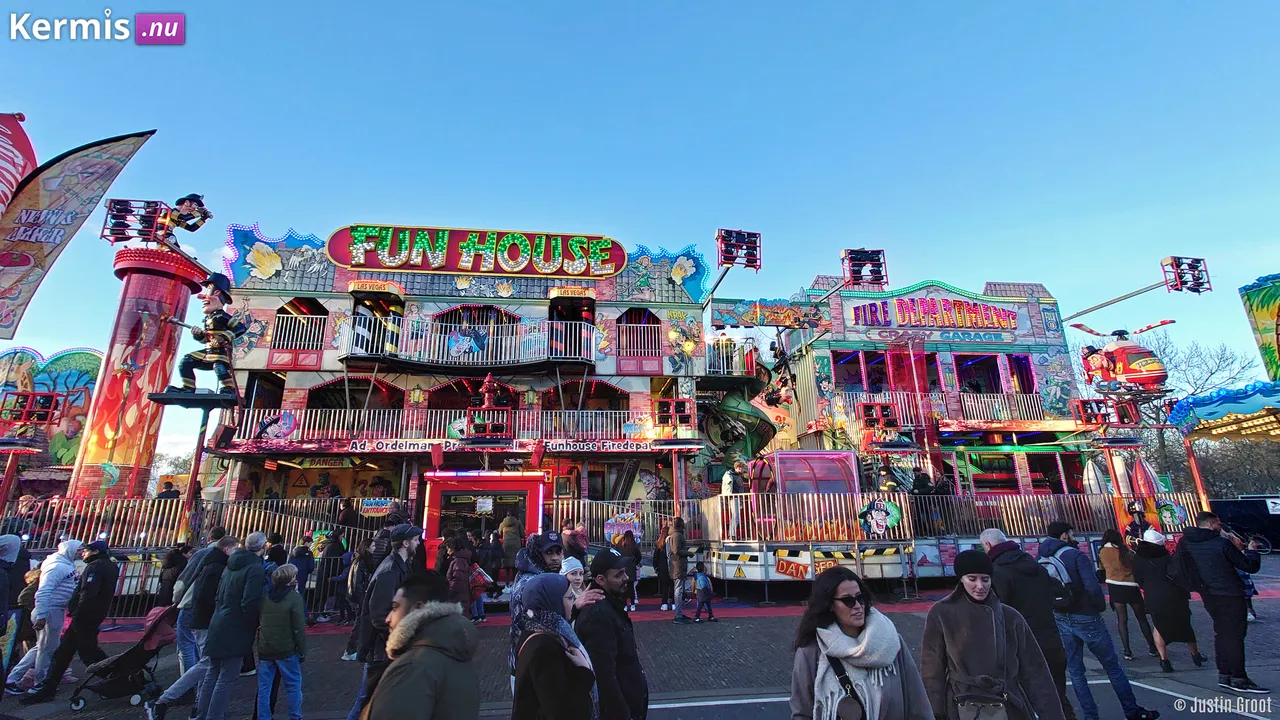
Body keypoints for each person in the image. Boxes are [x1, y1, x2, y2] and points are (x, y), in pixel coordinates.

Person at [922, 550, 1065, 720]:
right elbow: (932, 669)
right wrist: (935, 712)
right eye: (972, 579)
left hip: (1008, 703)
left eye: (985, 579)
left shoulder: (1011, 617)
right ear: (961, 579)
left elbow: (1035, 671)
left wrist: (1052, 715)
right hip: (961, 704)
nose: (980, 586)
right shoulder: (941, 613)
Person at [1039, 522, 1158, 720]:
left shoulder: (1042, 557)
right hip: (1086, 615)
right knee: (1112, 666)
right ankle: (1132, 710)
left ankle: (1090, 715)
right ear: (1063, 536)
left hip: (1061, 615)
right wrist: (1098, 607)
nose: (1073, 535)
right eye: (1070, 532)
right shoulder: (1076, 555)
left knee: (1076, 673)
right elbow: (1092, 586)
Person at [790, 566, 931, 720]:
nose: (857, 605)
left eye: (860, 597)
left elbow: (917, 702)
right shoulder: (811, 651)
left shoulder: (889, 640)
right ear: (829, 605)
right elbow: (802, 713)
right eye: (848, 600)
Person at [980, 529, 1075, 720]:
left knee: (1022, 702)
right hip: (1050, 639)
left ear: (988, 546)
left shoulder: (998, 572)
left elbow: (999, 612)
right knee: (1056, 697)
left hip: (1021, 645)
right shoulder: (1036, 566)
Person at [362, 573, 480, 720]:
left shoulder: (412, 667)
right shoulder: (458, 655)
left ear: (417, 608)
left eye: (395, 607)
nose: (387, 619)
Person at [146, 535, 239, 720]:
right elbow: (205, 595)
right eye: (236, 548)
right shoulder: (214, 564)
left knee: (203, 661)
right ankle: (170, 699)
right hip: (198, 615)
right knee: (205, 662)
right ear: (227, 548)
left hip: (193, 611)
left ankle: (198, 705)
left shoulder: (208, 558)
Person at [22, 540, 119, 705]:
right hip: (90, 615)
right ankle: (48, 687)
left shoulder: (95, 567)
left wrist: (77, 611)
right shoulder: (109, 566)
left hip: (84, 616)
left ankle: (116, 677)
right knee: (64, 653)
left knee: (87, 653)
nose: (82, 554)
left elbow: (88, 592)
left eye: (86, 550)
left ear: (95, 552)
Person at [1179, 511, 1265, 693]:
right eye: (1218, 524)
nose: (1220, 527)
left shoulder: (1187, 542)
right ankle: (1239, 677)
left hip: (1208, 593)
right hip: (1230, 593)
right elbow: (1249, 566)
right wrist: (1251, 551)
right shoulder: (1221, 543)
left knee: (1221, 632)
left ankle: (1224, 674)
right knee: (1235, 636)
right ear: (1211, 524)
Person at [509, 530, 602, 693]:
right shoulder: (532, 584)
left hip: (541, 661)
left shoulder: (544, 577)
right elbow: (541, 622)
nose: (554, 558)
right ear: (539, 554)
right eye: (548, 552)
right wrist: (574, 606)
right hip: (533, 665)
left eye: (558, 552)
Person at [348, 523, 421, 720]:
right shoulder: (389, 571)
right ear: (405, 543)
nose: (419, 543)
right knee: (367, 699)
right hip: (382, 649)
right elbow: (379, 615)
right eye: (415, 540)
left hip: (385, 647)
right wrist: (398, 641)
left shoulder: (398, 567)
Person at [195, 531, 267, 720]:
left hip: (219, 619)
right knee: (227, 676)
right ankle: (214, 715)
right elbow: (250, 601)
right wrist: (254, 623)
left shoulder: (230, 566)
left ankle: (201, 713)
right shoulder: (255, 569)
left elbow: (219, 594)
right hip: (236, 625)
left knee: (213, 672)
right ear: (262, 547)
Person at [511, 573, 597, 720]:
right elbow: (561, 711)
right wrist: (584, 672)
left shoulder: (534, 630)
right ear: (552, 601)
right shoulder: (544, 649)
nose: (574, 601)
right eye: (569, 597)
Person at [576, 548, 647, 719]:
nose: (626, 578)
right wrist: (622, 714)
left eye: (624, 572)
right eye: (618, 575)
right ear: (600, 579)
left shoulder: (610, 606)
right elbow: (604, 676)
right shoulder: (599, 615)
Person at [6, 540, 79, 696]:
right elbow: (43, 591)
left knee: (41, 648)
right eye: (78, 550)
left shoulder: (63, 564)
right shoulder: (57, 566)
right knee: (46, 650)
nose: (80, 553)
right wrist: (42, 614)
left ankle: (12, 678)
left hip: (53, 610)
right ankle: (39, 683)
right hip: (50, 611)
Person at [1130, 529, 1205, 673]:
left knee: (1158, 627)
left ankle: (1164, 661)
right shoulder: (1167, 557)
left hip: (1153, 597)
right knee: (1185, 626)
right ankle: (1195, 655)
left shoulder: (1138, 559)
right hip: (1174, 596)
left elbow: (1138, 579)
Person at [256, 564, 306, 720]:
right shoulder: (294, 598)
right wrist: (302, 650)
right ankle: (295, 716)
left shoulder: (265, 597)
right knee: (293, 685)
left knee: (264, 687)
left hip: (266, 646)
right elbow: (298, 627)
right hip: (286, 648)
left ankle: (263, 717)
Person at [1099, 529, 1158, 661]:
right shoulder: (1125, 551)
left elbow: (1102, 569)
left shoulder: (1102, 552)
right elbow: (1136, 562)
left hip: (1114, 586)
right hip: (1131, 586)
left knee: (1122, 619)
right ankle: (1152, 647)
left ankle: (1127, 651)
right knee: (1141, 618)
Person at [342, 538, 375, 662]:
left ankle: (353, 649)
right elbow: (357, 584)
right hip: (360, 597)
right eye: (373, 546)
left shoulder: (361, 562)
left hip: (359, 596)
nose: (375, 548)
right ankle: (350, 650)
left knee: (360, 623)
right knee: (359, 624)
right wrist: (362, 600)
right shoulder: (360, 562)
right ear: (366, 548)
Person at [668, 517, 691, 624]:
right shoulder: (677, 535)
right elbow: (676, 550)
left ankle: (679, 613)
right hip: (678, 565)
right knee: (678, 590)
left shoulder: (674, 534)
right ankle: (678, 615)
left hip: (677, 565)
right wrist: (688, 553)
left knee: (679, 589)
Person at [288, 535, 317, 622]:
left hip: (292, 574)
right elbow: (311, 566)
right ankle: (305, 616)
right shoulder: (309, 553)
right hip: (302, 575)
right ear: (307, 543)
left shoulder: (294, 551)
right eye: (311, 543)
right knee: (300, 594)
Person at [445, 536, 474, 620]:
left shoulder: (457, 561)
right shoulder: (463, 559)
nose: (447, 551)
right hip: (463, 596)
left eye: (448, 548)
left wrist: (450, 593)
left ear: (452, 548)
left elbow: (457, 580)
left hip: (457, 597)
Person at [614, 530, 641, 612]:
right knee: (631, 587)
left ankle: (624, 605)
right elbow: (639, 556)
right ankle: (632, 605)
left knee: (623, 588)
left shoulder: (620, 544)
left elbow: (616, 554)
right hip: (631, 568)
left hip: (622, 569)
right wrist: (635, 563)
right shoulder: (634, 545)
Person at [721, 458, 748, 539]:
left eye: (742, 468)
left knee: (737, 517)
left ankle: (732, 534)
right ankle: (731, 534)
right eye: (740, 468)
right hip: (734, 497)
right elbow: (729, 483)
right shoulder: (732, 474)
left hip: (737, 497)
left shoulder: (738, 475)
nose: (741, 469)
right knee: (736, 516)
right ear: (736, 468)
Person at [499, 512, 524, 583]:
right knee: (515, 566)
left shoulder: (503, 523)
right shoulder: (518, 522)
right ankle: (515, 583)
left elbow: (499, 533)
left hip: (506, 545)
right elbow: (523, 534)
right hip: (516, 545)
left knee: (507, 565)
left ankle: (507, 584)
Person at [653, 523, 671, 611]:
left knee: (664, 587)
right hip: (671, 567)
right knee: (672, 585)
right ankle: (674, 603)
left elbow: (655, 557)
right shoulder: (671, 543)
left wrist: (656, 567)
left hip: (662, 568)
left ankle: (664, 604)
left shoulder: (658, 543)